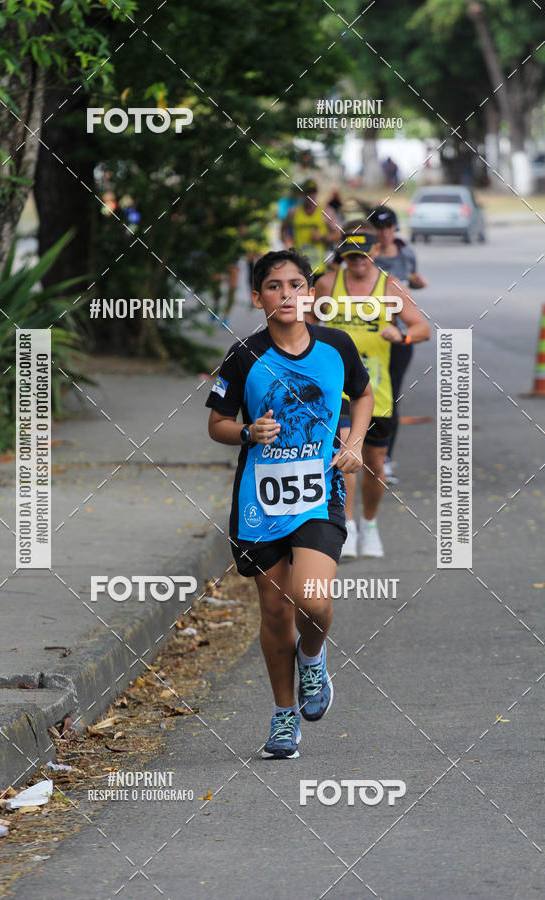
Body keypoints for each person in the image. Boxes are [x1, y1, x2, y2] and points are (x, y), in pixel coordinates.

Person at [206, 248, 373, 759]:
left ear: (312, 292)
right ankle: (283, 716)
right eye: (275, 286)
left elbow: (363, 395)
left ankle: (314, 656)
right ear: (258, 297)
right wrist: (246, 431)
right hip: (261, 501)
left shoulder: (336, 346)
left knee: (314, 599)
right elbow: (216, 423)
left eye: (296, 284)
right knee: (275, 610)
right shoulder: (243, 356)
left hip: (320, 493)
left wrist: (355, 443)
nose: (287, 295)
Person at [313, 222, 430, 558]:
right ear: (343, 257)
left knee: (375, 463)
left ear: (375, 251)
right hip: (338, 389)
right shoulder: (327, 285)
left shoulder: (390, 288)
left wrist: (402, 335)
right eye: (351, 258)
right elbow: (304, 324)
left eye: (363, 256)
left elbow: (422, 328)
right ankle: (347, 526)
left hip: (377, 389)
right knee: (347, 451)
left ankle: (370, 524)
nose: (358, 263)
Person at [369, 205, 428, 485]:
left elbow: (410, 285)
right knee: (361, 394)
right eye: (377, 228)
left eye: (387, 227)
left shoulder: (407, 255)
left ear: (394, 228)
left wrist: (416, 283)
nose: (383, 233)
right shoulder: (367, 256)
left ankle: (385, 459)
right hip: (369, 336)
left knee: (390, 396)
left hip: (400, 337)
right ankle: (356, 452)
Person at [281, 180, 340, 280]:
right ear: (302, 194)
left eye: (313, 192)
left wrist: (322, 237)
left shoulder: (325, 211)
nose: (310, 196)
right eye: (307, 192)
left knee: (318, 294)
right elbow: (283, 229)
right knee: (302, 295)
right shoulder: (293, 212)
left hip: (320, 267)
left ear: (317, 193)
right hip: (299, 265)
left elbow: (338, 234)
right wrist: (287, 242)